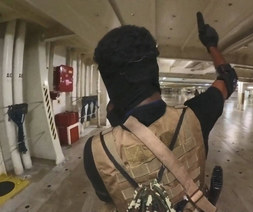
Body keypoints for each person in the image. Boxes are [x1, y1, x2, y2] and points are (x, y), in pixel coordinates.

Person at [83, 12, 237, 211]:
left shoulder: (95, 151)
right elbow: (228, 78)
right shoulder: (197, 115)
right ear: (153, 70)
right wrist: (211, 44)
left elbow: (110, 200)